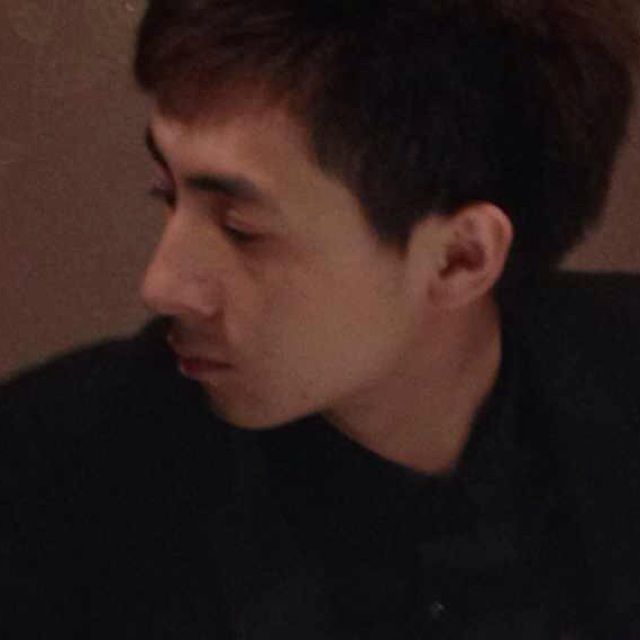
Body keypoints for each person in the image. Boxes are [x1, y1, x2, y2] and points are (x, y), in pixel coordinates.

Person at [2, 0, 639, 637]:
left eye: (241, 228)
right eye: (165, 193)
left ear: (459, 259)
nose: (161, 285)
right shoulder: (48, 478)